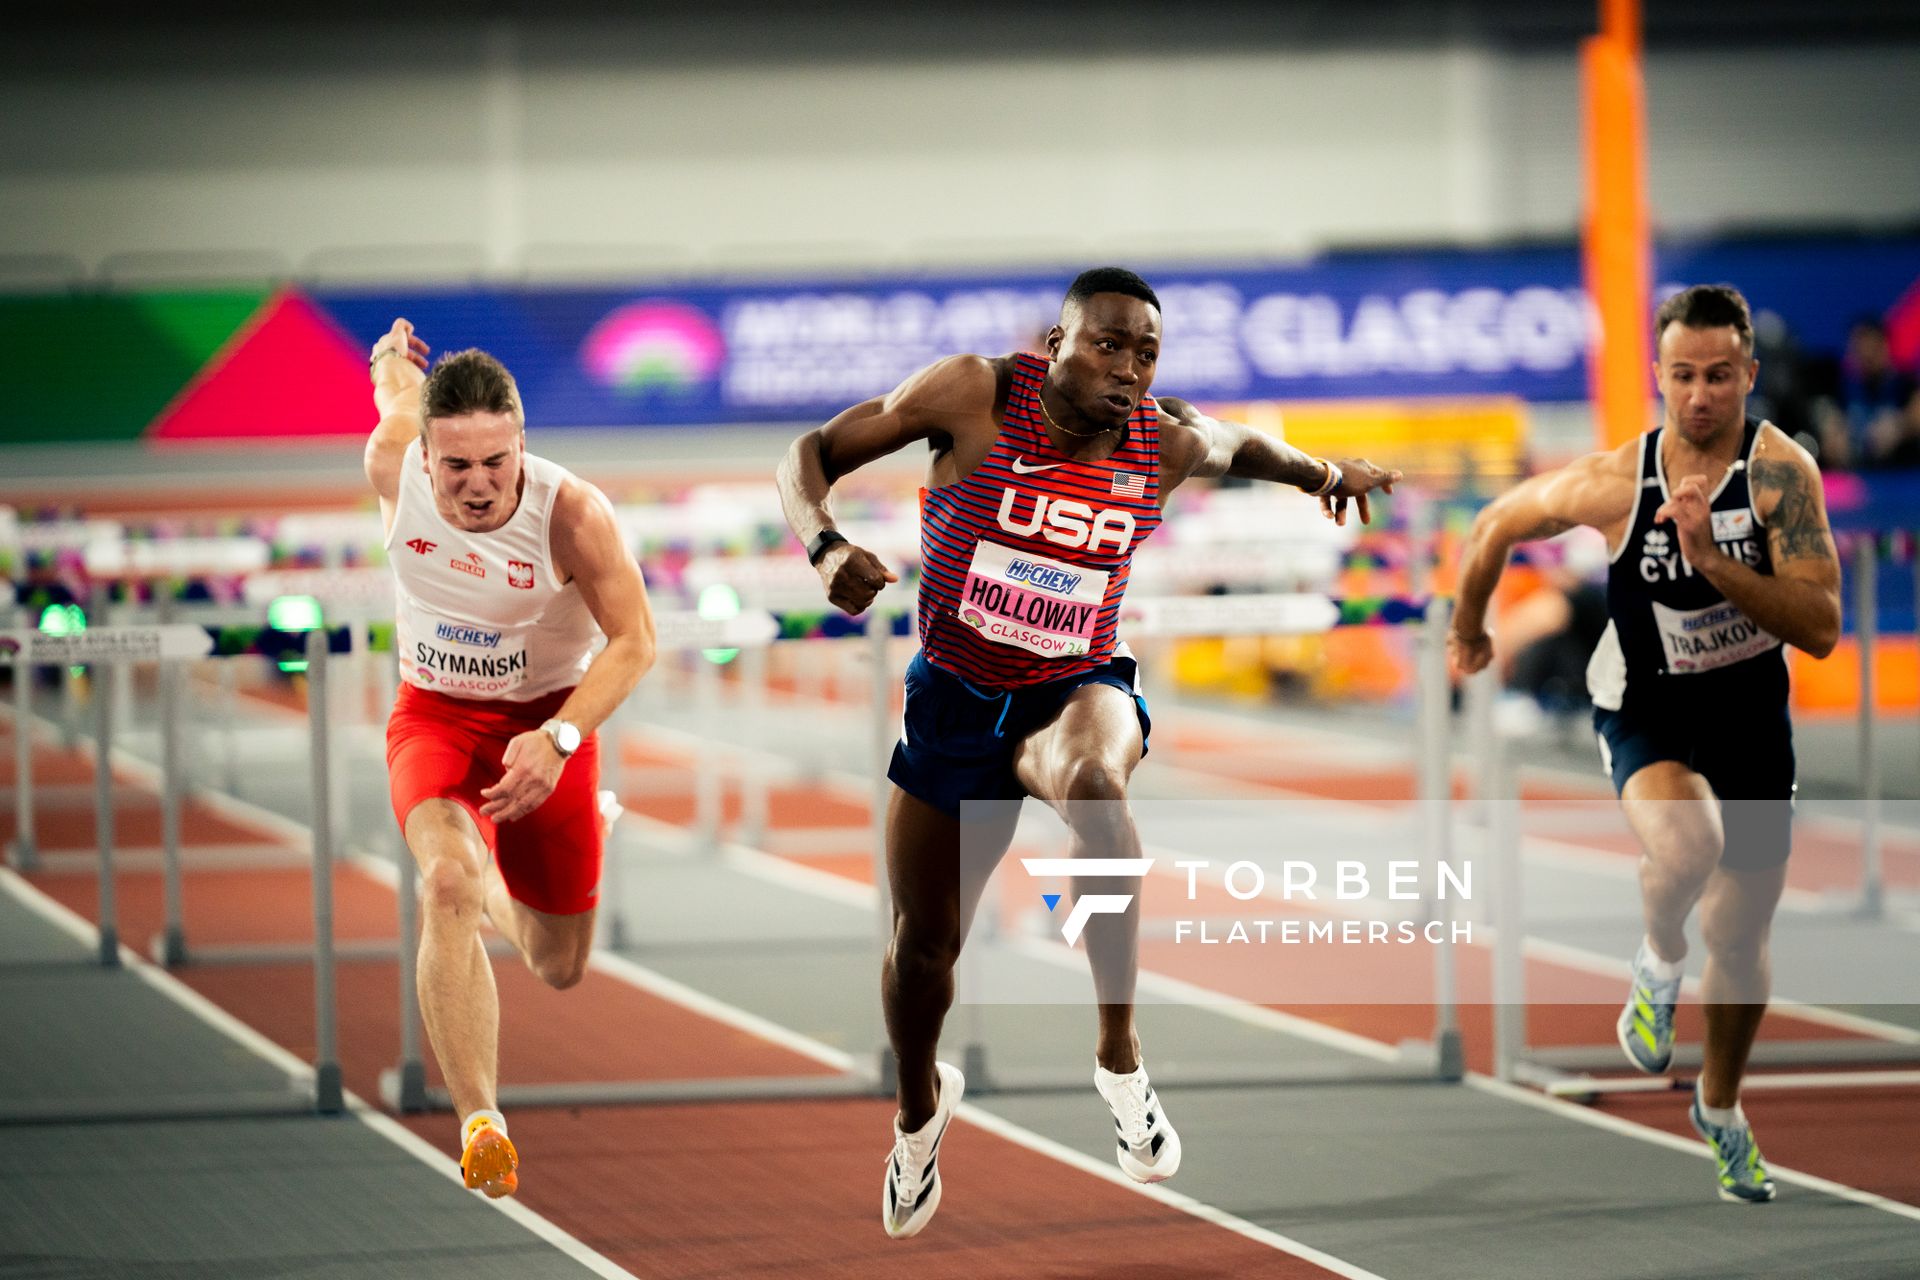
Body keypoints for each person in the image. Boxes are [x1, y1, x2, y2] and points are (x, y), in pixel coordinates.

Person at [777, 267, 1400, 1238]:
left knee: (1100, 790)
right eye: (1108, 345)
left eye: (1146, 353)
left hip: (1073, 686)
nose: (1127, 369)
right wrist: (823, 544)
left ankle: (1118, 1056)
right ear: (1055, 343)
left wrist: (1329, 474)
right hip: (953, 695)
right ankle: (914, 1113)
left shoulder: (1166, 439)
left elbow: (1250, 447)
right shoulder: (975, 395)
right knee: (922, 952)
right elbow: (807, 454)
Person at [1450, 284, 1842, 1203]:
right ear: (1658, 377)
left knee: (1741, 939)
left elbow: (1821, 626)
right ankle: (1658, 959)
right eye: (1681, 376)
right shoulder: (1620, 482)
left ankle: (1721, 1109)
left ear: (1749, 374)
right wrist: (1470, 627)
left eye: (1718, 376)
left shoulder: (1781, 475)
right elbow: (1492, 523)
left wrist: (1712, 563)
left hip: (1750, 714)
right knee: (1690, 846)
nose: (1700, 396)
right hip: (1647, 701)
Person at [366, 318, 657, 1198]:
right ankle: (481, 1124)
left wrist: (561, 738)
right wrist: (388, 371)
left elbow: (636, 642)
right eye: (457, 467)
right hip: (436, 721)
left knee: (558, 965)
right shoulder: (391, 460)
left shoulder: (572, 514)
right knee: (444, 885)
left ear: (522, 443)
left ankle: (509, 870)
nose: (480, 484)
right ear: (425, 459)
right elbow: (394, 401)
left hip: (547, 729)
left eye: (498, 462)